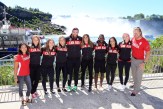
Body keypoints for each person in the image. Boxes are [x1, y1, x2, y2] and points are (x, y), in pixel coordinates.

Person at [131, 27, 150, 96]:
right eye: (134, 32)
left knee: (139, 76)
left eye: (136, 32)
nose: (134, 34)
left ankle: (136, 90)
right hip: (133, 59)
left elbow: (148, 53)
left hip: (140, 61)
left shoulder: (145, 41)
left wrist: (144, 63)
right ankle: (135, 84)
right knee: (134, 74)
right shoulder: (133, 39)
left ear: (140, 33)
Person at [65, 28, 82, 92]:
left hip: (77, 59)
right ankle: (69, 86)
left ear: (78, 32)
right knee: (69, 73)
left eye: (76, 32)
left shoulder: (80, 38)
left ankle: (75, 86)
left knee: (76, 73)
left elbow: (87, 43)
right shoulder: (67, 39)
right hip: (69, 59)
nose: (75, 33)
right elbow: (61, 44)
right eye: (74, 32)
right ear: (72, 32)